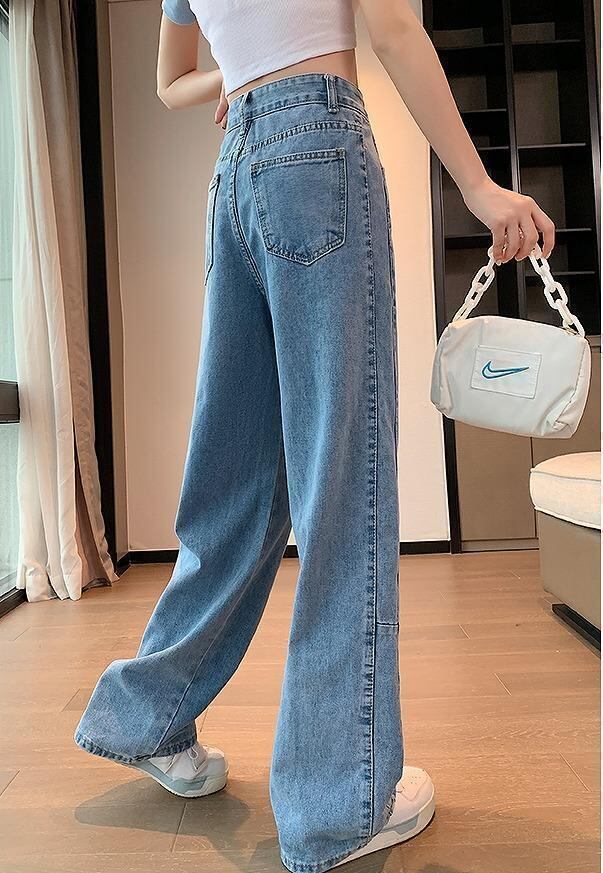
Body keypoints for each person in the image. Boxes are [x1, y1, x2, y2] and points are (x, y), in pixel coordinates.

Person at [74, 2, 555, 871]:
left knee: (233, 484)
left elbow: (170, 83)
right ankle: (338, 804)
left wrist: (244, 76)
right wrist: (480, 186)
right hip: (319, 148)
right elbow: (393, 27)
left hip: (235, 171)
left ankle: (145, 717)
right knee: (344, 482)